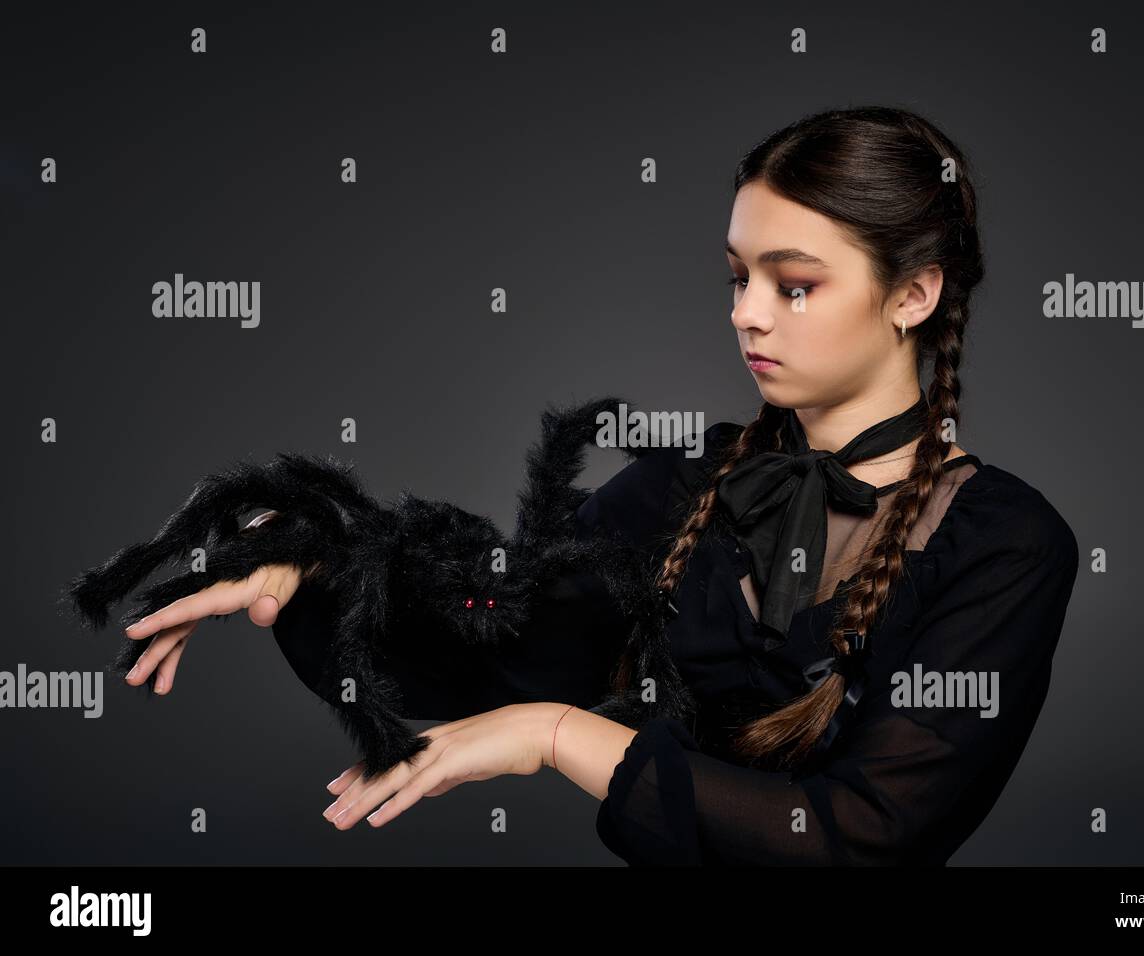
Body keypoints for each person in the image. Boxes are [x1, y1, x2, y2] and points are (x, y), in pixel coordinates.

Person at [115, 105, 1080, 866]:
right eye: (736, 276)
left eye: (793, 284)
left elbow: (859, 834)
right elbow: (486, 651)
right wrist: (312, 573)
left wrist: (554, 736)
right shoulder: (688, 482)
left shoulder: (1006, 543)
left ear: (914, 293)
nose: (746, 314)